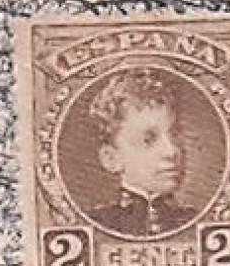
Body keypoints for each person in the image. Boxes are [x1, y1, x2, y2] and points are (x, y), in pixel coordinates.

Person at [83, 68, 195, 238]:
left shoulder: (193, 221)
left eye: (175, 136)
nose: (171, 151)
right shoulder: (95, 223)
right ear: (111, 159)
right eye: (148, 140)